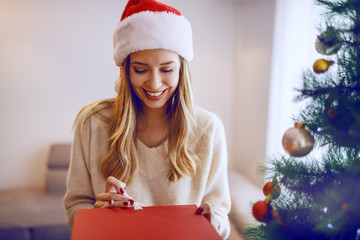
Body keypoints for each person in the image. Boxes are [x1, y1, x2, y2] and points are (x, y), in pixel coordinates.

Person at [64, 0, 231, 238]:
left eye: (167, 69)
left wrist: (211, 220)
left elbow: (220, 214)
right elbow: (75, 205)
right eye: (141, 69)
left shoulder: (208, 129)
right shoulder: (92, 122)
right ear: (125, 70)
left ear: (181, 69)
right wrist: (97, 214)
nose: (154, 84)